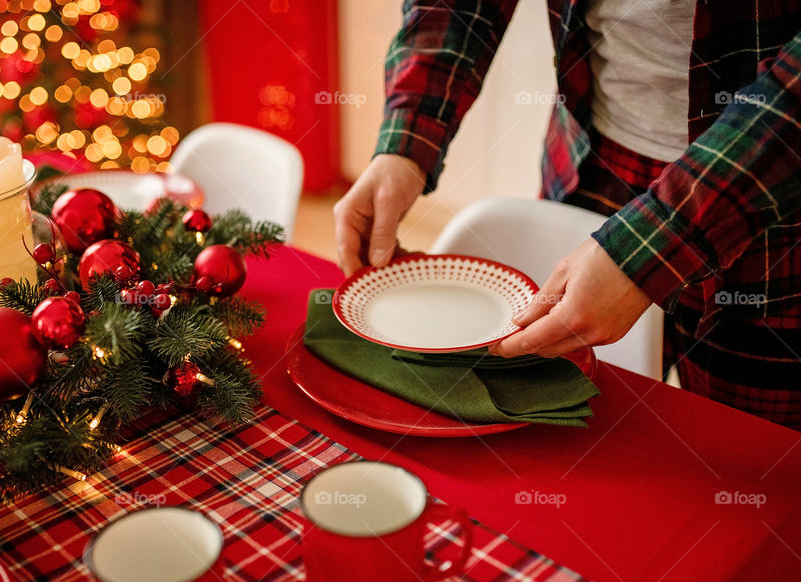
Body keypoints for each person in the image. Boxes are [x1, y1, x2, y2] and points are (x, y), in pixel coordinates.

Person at [334, 0, 801, 429]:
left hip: (777, 213)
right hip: (589, 168)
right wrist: (406, 140)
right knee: (571, 431)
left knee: (754, 458)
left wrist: (648, 247)